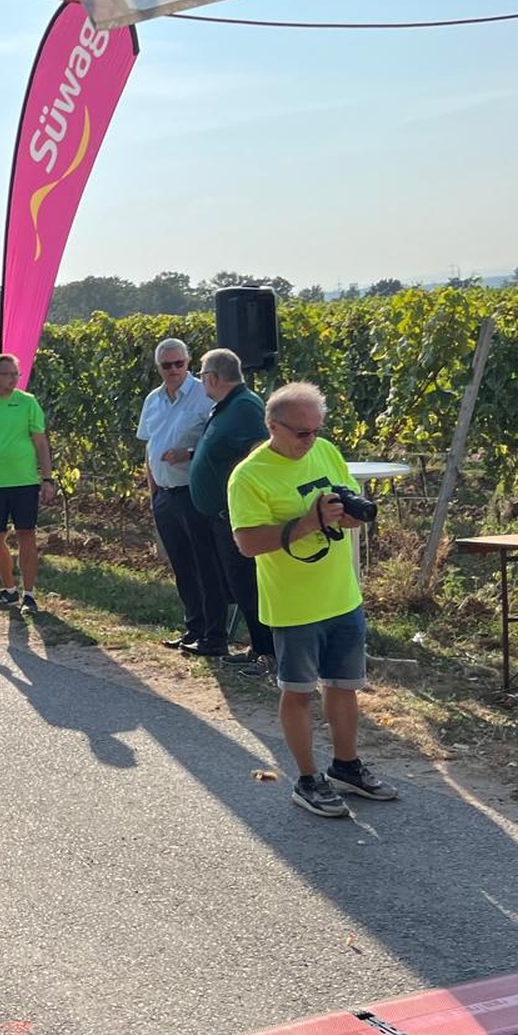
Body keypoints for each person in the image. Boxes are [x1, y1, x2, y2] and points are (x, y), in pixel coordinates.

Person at [230, 383, 398, 819]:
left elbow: (350, 517)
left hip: (342, 596)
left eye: (317, 430)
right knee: (299, 692)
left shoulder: (325, 451)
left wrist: (350, 514)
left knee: (344, 686)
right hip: (294, 605)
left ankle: (346, 766)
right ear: (273, 426)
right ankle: (307, 780)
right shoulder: (249, 476)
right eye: (301, 432)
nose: (311, 440)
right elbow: (247, 543)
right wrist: (308, 523)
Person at [139, 337, 229, 657]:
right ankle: (194, 628)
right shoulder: (153, 400)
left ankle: (215, 636)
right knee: (182, 566)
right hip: (165, 495)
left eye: (179, 363)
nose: (174, 369)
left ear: (189, 363)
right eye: (167, 365)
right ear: (159, 368)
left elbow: (216, 442)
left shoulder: (205, 395)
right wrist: (153, 492)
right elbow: (149, 446)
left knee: (206, 565)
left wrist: (187, 453)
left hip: (194, 493)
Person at [189, 349, 274, 674]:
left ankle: (269, 653)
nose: (200, 381)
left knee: (250, 586)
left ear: (213, 378)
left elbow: (259, 455)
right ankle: (258, 647)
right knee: (240, 586)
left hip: (236, 516)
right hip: (220, 516)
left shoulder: (245, 407)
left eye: (201, 375)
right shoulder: (228, 406)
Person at [0, 353, 56, 614]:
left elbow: (41, 442)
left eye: (16, 374)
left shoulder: (27, 402)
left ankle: (29, 594)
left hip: (24, 481)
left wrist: (47, 478)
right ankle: (9, 589)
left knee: (26, 534)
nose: (13, 379)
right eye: (8, 374)